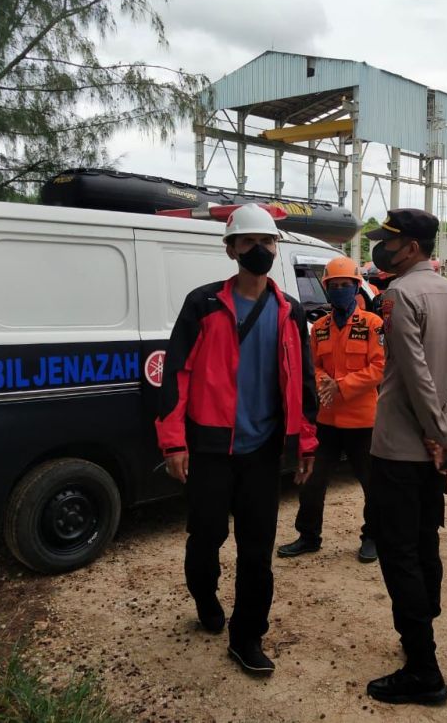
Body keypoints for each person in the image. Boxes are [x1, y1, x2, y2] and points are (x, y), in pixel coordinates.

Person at [156, 203, 318, 675]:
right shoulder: (203, 304)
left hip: (263, 452)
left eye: (266, 242)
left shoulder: (290, 310)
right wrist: (173, 442)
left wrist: (306, 443)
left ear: (276, 247)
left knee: (257, 551)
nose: (259, 250)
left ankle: (247, 636)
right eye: (248, 242)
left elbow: (304, 383)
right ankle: (205, 599)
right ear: (231, 249)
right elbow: (176, 375)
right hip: (209, 449)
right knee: (205, 538)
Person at [363, 208, 447, 705]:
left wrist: (438, 433)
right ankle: (419, 636)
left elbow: (412, 373)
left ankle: (424, 670)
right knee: (424, 543)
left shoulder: (400, 294)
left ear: (411, 247)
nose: (381, 250)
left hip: (400, 450)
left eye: (389, 243)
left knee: (400, 553)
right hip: (433, 451)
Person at [277, 256, 385, 562]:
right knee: (311, 481)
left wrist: (342, 385)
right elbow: (314, 365)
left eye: (345, 285)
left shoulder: (373, 324)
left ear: (356, 288)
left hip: (363, 421)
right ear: (326, 289)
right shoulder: (320, 328)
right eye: (333, 286)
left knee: (372, 484)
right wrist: (325, 382)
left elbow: (380, 367)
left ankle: (373, 537)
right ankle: (308, 536)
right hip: (326, 420)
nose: (339, 290)